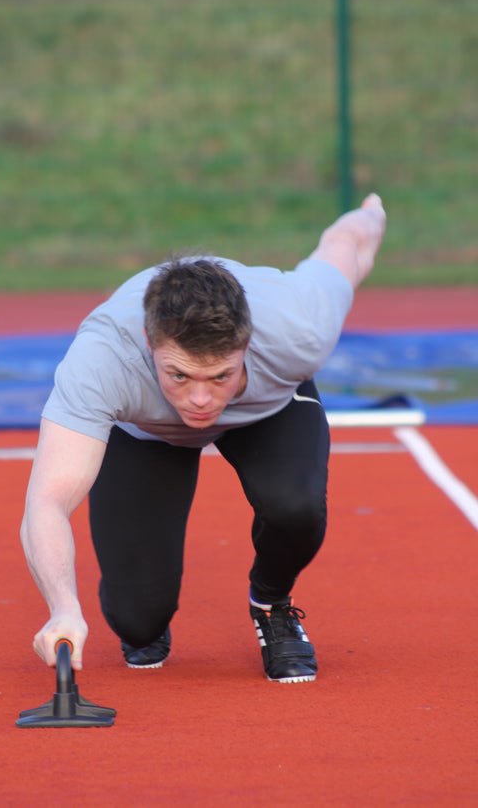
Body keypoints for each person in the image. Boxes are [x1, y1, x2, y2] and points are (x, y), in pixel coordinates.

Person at [21, 193, 386, 683]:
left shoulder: (298, 327)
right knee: (137, 623)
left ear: (247, 344)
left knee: (297, 506)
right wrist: (63, 608)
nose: (198, 399)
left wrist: (372, 212)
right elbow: (47, 500)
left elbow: (346, 244)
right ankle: (143, 617)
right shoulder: (102, 358)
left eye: (219, 377)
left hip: (266, 413)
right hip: (145, 433)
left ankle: (272, 604)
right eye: (178, 376)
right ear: (150, 344)